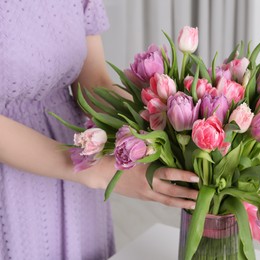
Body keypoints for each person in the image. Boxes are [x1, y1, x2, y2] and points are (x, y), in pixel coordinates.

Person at [0, 1, 198, 259]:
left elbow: (92, 84)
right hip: (22, 173)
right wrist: (99, 171)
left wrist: (161, 116)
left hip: (76, 174)